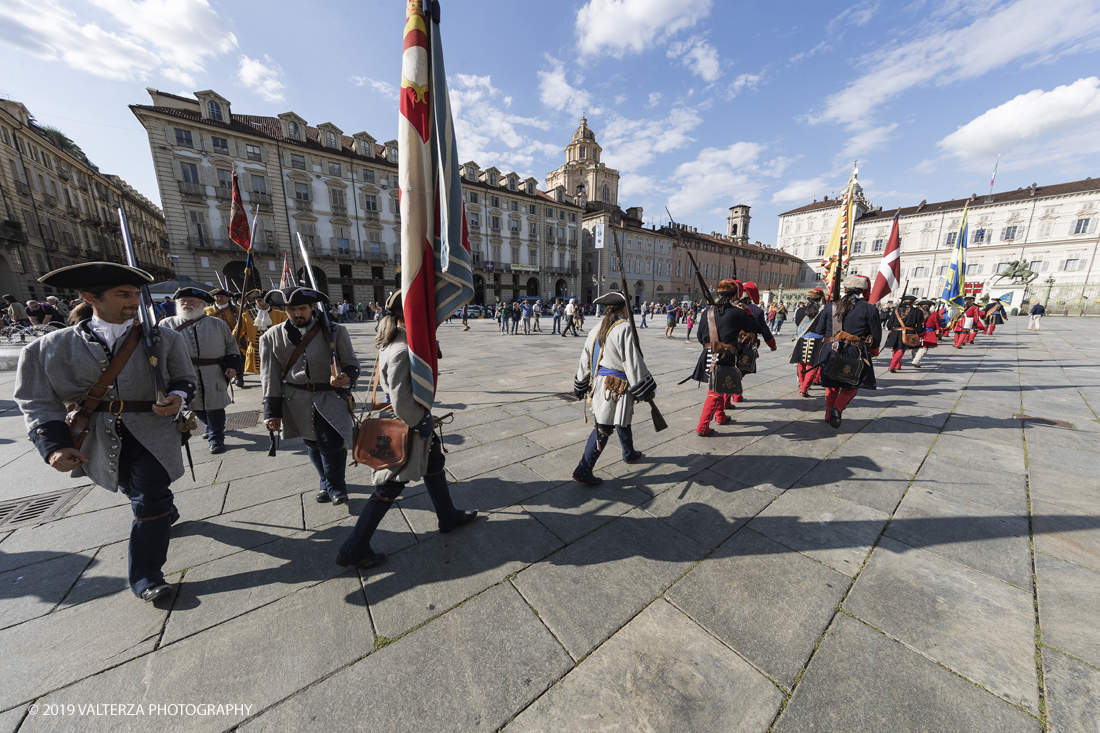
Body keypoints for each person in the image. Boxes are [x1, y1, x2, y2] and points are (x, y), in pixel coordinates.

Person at [14, 262, 196, 603]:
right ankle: (162, 513)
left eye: (135, 294)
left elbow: (185, 378)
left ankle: (146, 575)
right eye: (123, 294)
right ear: (89, 298)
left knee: (150, 499)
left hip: (153, 431)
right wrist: (53, 447)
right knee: (135, 489)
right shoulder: (45, 349)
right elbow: (37, 401)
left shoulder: (163, 338)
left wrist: (178, 396)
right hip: (96, 434)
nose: (133, 301)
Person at [336, 291, 476, 569]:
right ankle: (353, 547)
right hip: (406, 424)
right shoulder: (401, 349)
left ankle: (447, 515)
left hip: (410, 420)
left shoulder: (400, 340)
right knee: (390, 485)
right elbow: (401, 401)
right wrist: (422, 424)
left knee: (434, 461)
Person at [262, 287, 359, 505]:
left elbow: (352, 364)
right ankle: (325, 481)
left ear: (312, 307)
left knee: (331, 442)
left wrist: (346, 378)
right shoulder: (270, 337)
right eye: (292, 309)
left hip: (330, 396)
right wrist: (271, 412)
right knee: (312, 443)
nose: (298, 313)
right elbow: (269, 376)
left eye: (302, 308)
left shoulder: (335, 331)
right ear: (284, 310)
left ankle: (336, 486)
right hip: (296, 399)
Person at [571, 291, 655, 484]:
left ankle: (629, 452)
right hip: (616, 387)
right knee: (604, 427)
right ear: (624, 308)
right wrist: (645, 387)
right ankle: (583, 470)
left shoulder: (597, 327)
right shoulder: (624, 327)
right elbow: (632, 361)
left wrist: (580, 382)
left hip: (602, 384)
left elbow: (585, 358)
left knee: (622, 417)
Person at [161, 288, 243, 454]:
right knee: (195, 404)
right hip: (183, 373)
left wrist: (232, 366)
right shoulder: (165, 325)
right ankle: (208, 425)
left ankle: (216, 438)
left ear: (203, 304)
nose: (186, 304)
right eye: (182, 301)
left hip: (214, 370)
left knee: (215, 405)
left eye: (191, 301)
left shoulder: (217, 324)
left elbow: (231, 347)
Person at [806, 275, 882, 428]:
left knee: (832, 384)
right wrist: (873, 350)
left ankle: (828, 414)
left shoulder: (829, 307)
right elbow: (876, 337)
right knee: (851, 384)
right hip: (854, 350)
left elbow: (819, 330)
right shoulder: (870, 308)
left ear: (845, 289)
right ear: (862, 291)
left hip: (830, 350)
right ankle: (837, 408)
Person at [689, 280, 759, 435]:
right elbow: (754, 327)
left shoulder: (708, 311)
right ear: (735, 295)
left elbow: (700, 337)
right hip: (724, 356)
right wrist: (747, 310)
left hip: (707, 354)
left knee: (719, 387)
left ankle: (720, 416)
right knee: (715, 392)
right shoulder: (738, 312)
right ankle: (702, 427)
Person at [732, 282, 778, 404]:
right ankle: (736, 396)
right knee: (739, 372)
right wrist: (772, 344)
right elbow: (764, 330)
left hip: (729, 344)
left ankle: (728, 400)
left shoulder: (731, 306)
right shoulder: (756, 310)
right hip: (745, 345)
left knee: (730, 370)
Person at [205, 288, 255, 388]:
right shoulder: (207, 311)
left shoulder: (237, 309)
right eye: (217, 297)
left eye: (221, 297)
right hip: (215, 339)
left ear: (227, 298)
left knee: (237, 357)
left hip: (235, 338)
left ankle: (239, 376)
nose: (218, 298)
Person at [794, 288, 825, 396]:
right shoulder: (823, 311)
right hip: (817, 341)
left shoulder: (800, 310)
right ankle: (804, 388)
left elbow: (798, 323)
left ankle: (802, 384)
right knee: (812, 365)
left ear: (807, 298)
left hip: (802, 339)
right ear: (820, 299)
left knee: (801, 363)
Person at [884, 294, 923, 373]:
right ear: (913, 302)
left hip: (895, 332)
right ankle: (892, 366)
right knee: (901, 349)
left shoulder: (896, 310)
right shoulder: (917, 311)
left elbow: (889, 324)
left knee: (895, 349)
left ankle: (897, 365)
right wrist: (919, 333)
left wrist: (891, 329)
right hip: (908, 332)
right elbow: (919, 325)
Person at [911, 299, 942, 368]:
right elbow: (937, 324)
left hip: (917, 332)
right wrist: (939, 331)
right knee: (924, 348)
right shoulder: (934, 314)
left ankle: (916, 360)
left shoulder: (917, 313)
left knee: (915, 347)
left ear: (921, 307)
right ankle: (916, 361)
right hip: (929, 333)